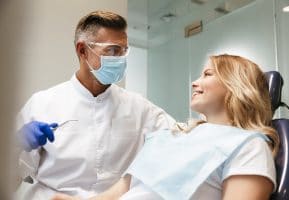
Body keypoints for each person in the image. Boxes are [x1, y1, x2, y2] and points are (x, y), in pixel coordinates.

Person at [52, 54, 280, 200]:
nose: (194, 82)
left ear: (236, 86)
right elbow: (120, 192)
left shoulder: (248, 147)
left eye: (208, 74)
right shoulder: (171, 137)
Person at [15, 11, 175, 199]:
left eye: (124, 51)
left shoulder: (140, 108)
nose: (121, 59)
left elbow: (182, 141)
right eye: (113, 50)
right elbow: (10, 180)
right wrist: (15, 146)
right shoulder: (41, 104)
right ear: (82, 50)